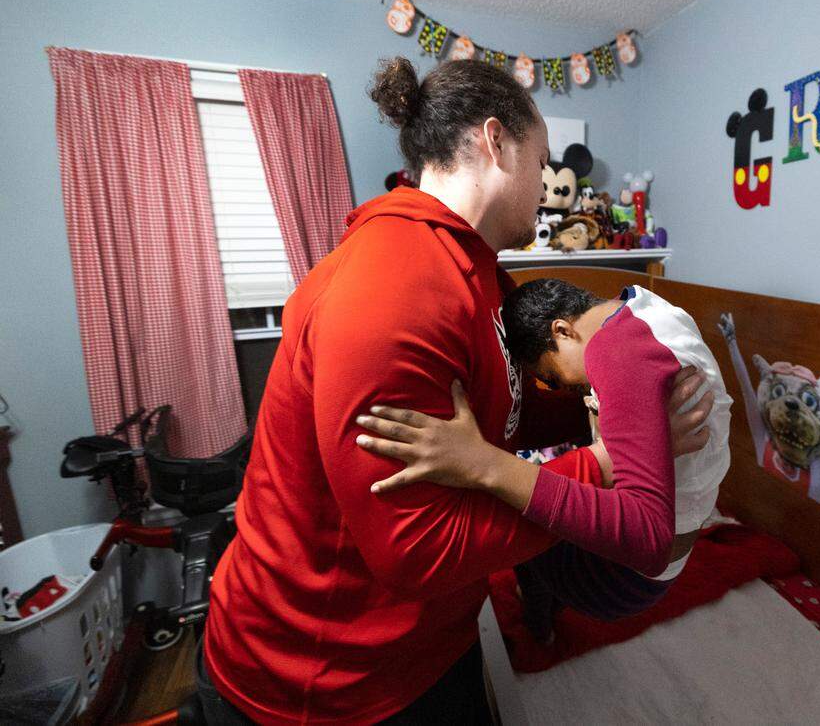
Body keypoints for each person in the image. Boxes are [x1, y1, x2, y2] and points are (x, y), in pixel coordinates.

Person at [200, 57, 712, 725]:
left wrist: (633, 406)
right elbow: (418, 547)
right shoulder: (390, 290)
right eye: (541, 160)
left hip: (425, 646)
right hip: (321, 680)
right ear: (496, 143)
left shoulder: (479, 275)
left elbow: (514, 405)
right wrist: (608, 465)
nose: (548, 189)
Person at [356, 278, 733, 642]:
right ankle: (543, 607)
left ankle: (537, 619)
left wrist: (484, 463)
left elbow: (645, 539)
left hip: (622, 581)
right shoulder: (650, 309)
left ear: (563, 331)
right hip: (676, 553)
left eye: (550, 377)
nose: (564, 388)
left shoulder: (615, 353)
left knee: (514, 520)